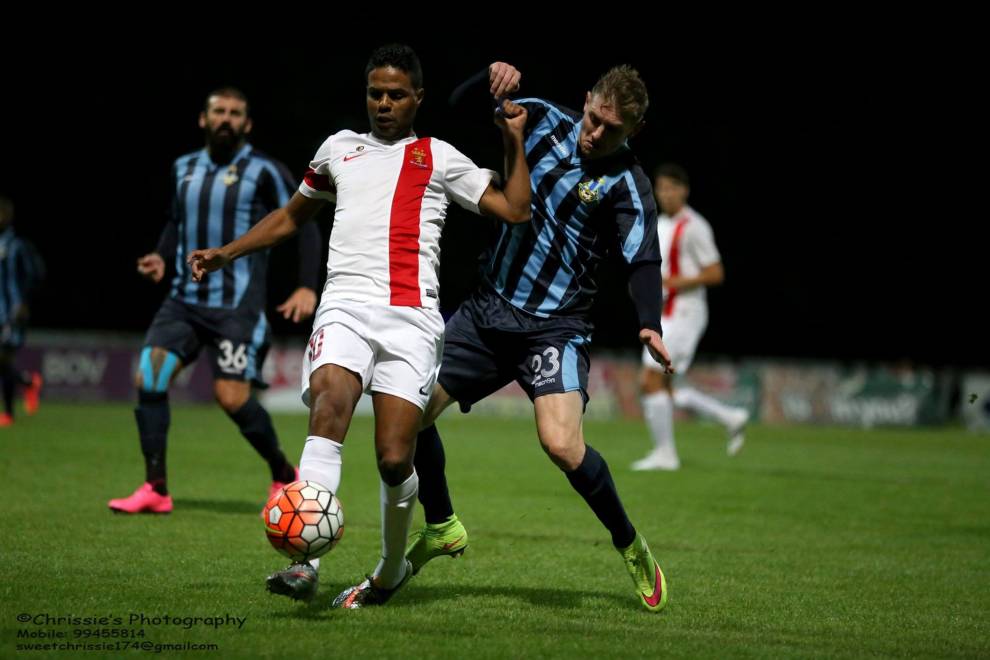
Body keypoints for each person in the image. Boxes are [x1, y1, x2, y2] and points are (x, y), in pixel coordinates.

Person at [187, 44, 531, 609]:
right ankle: (305, 563)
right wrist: (228, 252)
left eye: (396, 95)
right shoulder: (338, 149)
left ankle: (391, 569)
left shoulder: (438, 156)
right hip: (344, 306)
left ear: (417, 98)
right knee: (328, 408)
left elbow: (515, 210)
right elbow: (291, 217)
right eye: (376, 94)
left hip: (411, 319)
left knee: (395, 457)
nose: (384, 104)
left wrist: (513, 139)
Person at [405, 63, 674, 612]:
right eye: (595, 119)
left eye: (613, 130)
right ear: (586, 99)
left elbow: (643, 258)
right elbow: (452, 110)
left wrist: (650, 320)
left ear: (635, 132)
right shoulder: (544, 118)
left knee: (562, 445)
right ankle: (441, 524)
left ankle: (629, 543)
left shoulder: (628, 183)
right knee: (406, 418)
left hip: (554, 328)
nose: (596, 134)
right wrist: (487, 76)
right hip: (485, 314)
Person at [108, 87, 321, 514]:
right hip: (183, 301)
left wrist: (306, 285)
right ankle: (155, 488)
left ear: (247, 124)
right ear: (203, 120)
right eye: (218, 112)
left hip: (237, 307)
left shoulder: (265, 170)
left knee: (231, 397)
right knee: (149, 379)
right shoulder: (183, 167)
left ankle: (283, 472)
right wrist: (161, 256)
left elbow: (304, 223)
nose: (226, 119)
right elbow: (176, 222)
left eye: (235, 113)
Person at [633, 163, 749, 471]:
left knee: (650, 380)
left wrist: (672, 283)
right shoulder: (659, 223)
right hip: (665, 313)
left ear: (684, 190)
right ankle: (730, 417)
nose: (666, 194)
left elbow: (715, 272)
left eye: (672, 188)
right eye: (662, 188)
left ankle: (665, 455)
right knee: (665, 388)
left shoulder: (695, 226)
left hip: (686, 313)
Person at [0, 195, 44, 428]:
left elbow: (35, 273)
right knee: (3, 362)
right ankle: (28, 383)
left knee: (3, 357)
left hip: (12, 312)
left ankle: (8, 413)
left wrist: (23, 302)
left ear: (7, 215)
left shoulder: (17, 245)